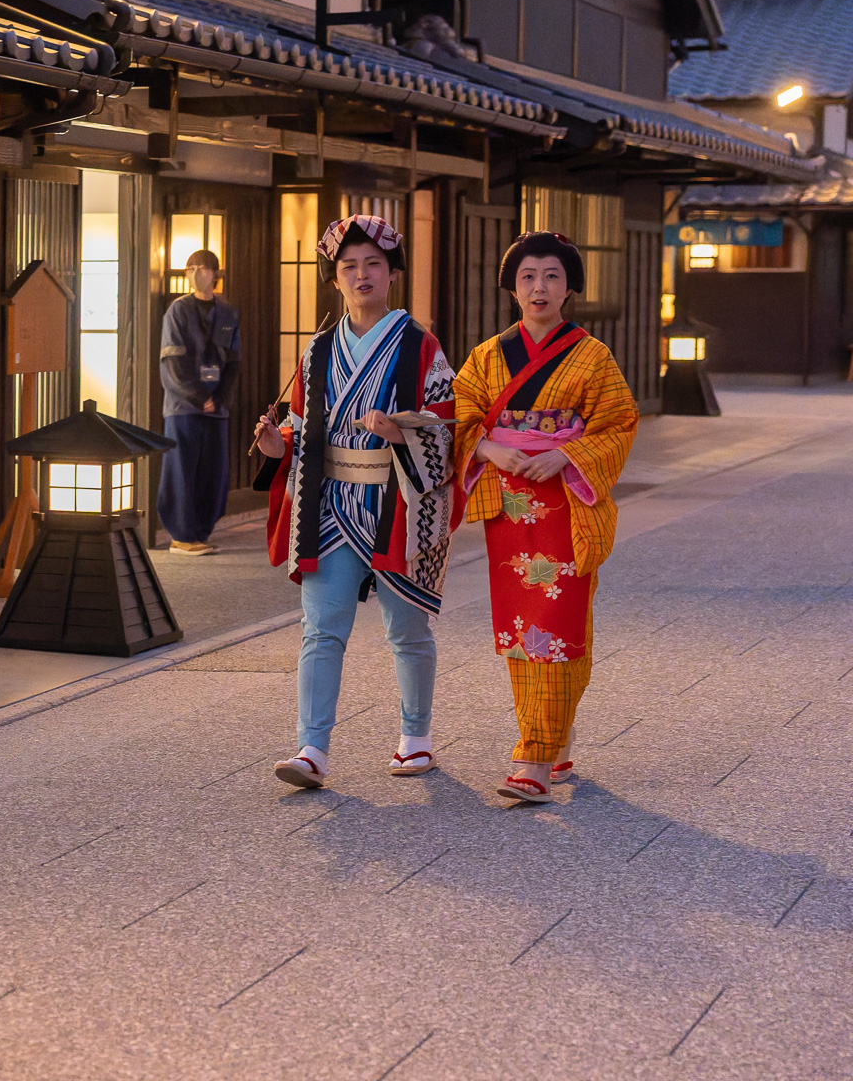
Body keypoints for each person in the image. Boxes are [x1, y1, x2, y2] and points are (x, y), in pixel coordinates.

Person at [251, 215, 459, 789]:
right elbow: (299, 426)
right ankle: (311, 747)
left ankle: (415, 737)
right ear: (335, 279)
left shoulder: (421, 346)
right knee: (321, 627)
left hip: (398, 502)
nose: (361, 275)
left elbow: (447, 428)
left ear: (392, 273)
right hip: (329, 503)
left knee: (407, 629)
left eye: (373, 264)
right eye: (349, 267)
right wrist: (278, 445)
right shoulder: (317, 352)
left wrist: (401, 432)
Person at [453, 232, 638, 804]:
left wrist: (566, 453)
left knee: (560, 622)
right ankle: (549, 735)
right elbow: (458, 415)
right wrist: (488, 450)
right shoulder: (487, 356)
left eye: (553, 276)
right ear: (512, 285)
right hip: (510, 505)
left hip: (564, 503)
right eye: (528, 276)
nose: (540, 287)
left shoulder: (593, 356)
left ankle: (533, 751)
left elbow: (618, 423)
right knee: (520, 625)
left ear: (570, 288)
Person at [157, 248, 241, 555]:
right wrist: (198, 396)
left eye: (202, 267)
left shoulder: (228, 313)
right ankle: (181, 535)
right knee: (181, 468)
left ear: (216, 274)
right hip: (183, 407)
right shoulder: (177, 311)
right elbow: (172, 362)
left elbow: (233, 362)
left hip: (217, 408)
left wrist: (218, 399)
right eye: (190, 267)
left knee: (213, 471)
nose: (195, 272)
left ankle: (201, 532)